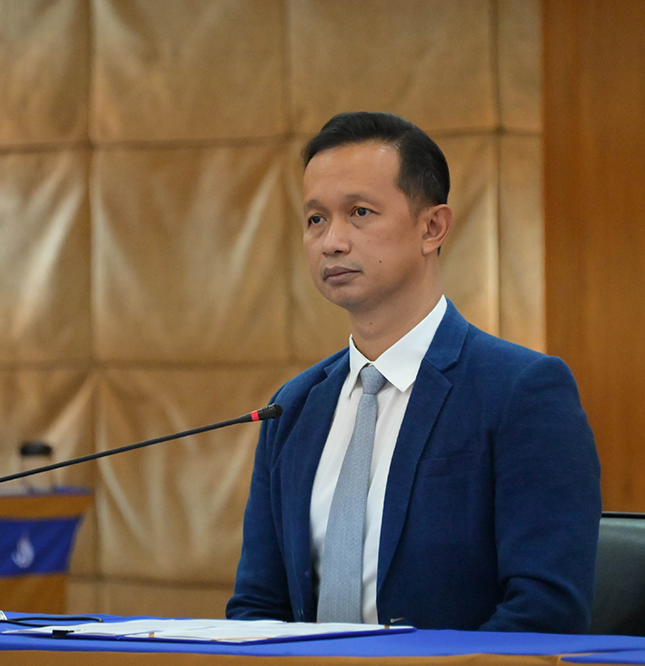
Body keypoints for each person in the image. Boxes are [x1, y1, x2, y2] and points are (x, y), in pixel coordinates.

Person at [226, 112, 601, 632]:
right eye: (315, 219)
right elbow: (256, 609)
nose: (332, 241)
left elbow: (546, 611)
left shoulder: (521, 391)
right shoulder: (293, 406)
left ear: (432, 228)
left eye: (359, 212)